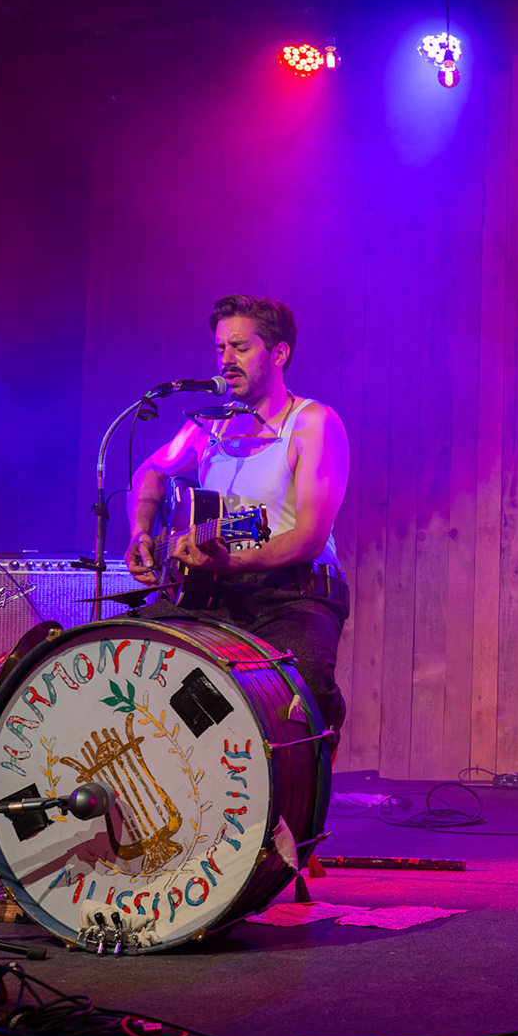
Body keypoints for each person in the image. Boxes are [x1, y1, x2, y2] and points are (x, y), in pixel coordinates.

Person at [123, 294, 352, 733]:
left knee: (297, 696)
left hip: (292, 596)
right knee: (128, 655)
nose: (226, 359)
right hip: (211, 592)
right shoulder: (210, 426)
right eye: (220, 348)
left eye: (240, 348)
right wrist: (141, 532)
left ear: (279, 353)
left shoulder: (313, 424)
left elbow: (310, 536)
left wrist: (233, 562)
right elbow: (151, 470)